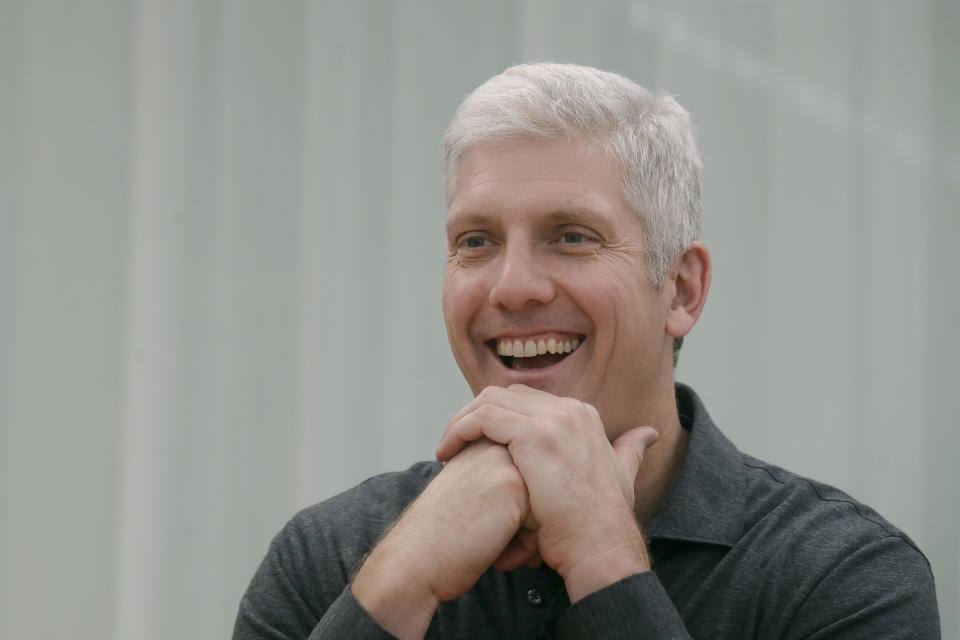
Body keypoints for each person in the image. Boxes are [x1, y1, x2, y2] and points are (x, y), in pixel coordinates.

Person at [233, 63, 940, 639]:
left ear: (681, 290)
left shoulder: (841, 573)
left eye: (571, 236)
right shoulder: (326, 555)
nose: (511, 287)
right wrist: (393, 591)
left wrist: (608, 566)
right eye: (474, 241)